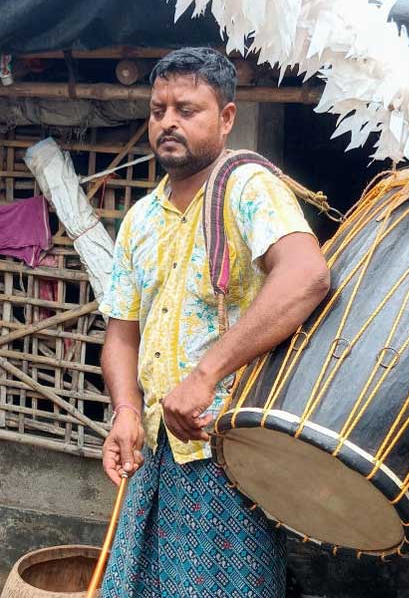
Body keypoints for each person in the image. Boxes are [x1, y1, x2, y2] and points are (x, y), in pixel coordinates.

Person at [99, 46, 331, 596]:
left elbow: (306, 276)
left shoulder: (248, 187)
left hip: (226, 449)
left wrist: (204, 376)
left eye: (187, 109)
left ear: (226, 118)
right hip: (155, 447)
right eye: (158, 111)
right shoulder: (140, 219)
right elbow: (120, 333)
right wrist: (126, 411)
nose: (168, 122)